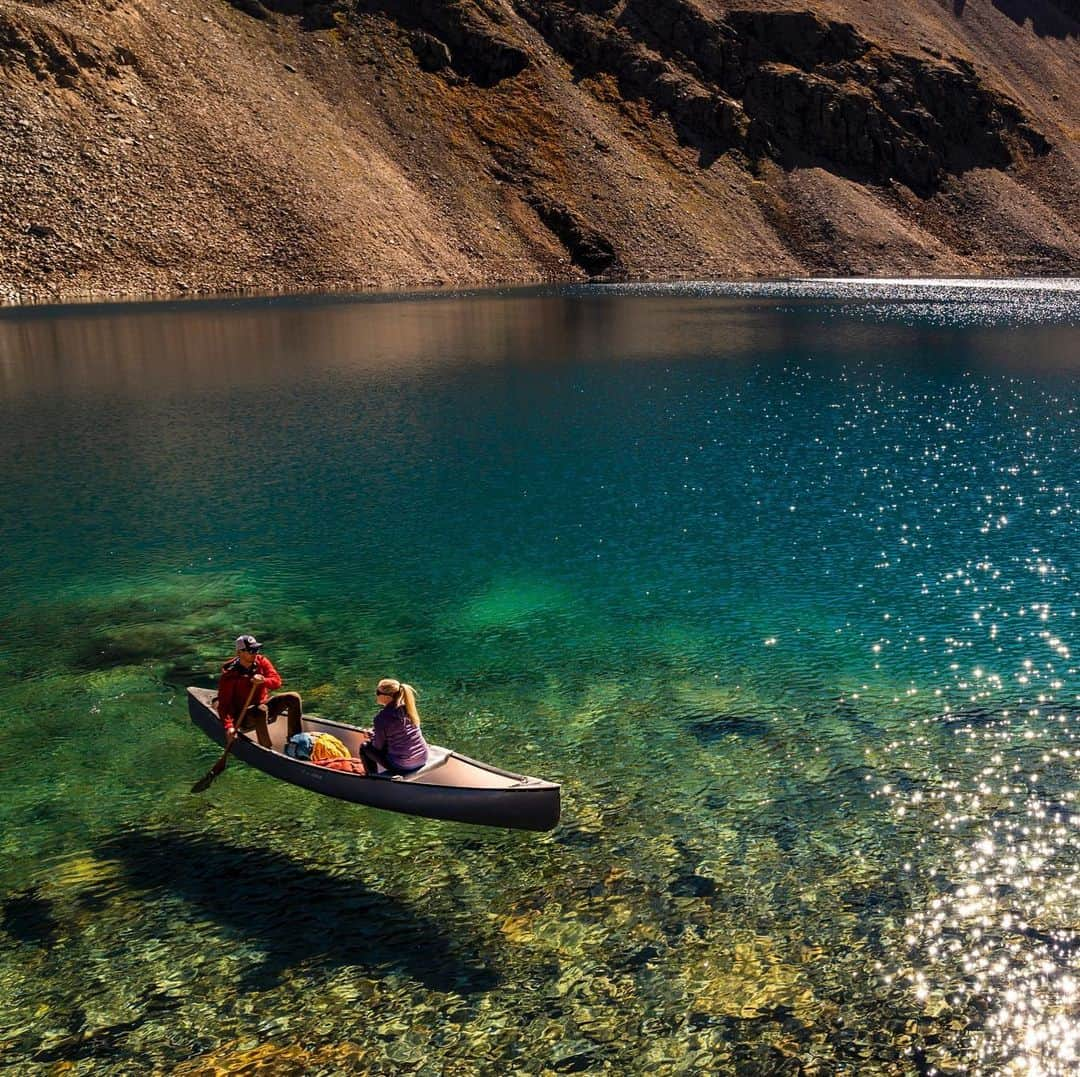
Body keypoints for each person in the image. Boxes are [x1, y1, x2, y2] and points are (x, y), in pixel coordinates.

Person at [217, 634, 302, 750]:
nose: (255, 653)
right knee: (260, 710)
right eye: (250, 650)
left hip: (263, 704)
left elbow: (277, 682)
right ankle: (266, 748)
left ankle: (295, 741)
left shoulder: (261, 661)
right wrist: (229, 727)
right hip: (243, 715)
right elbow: (224, 706)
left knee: (293, 697)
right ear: (239, 653)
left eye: (256, 649)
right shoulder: (230, 676)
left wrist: (263, 681)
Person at [359, 678, 429, 776]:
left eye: (378, 692)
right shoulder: (408, 708)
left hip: (403, 765)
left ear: (387, 696)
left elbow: (377, 746)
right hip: (423, 757)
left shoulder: (381, 718)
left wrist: (371, 736)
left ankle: (372, 779)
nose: (376, 694)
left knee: (365, 747)